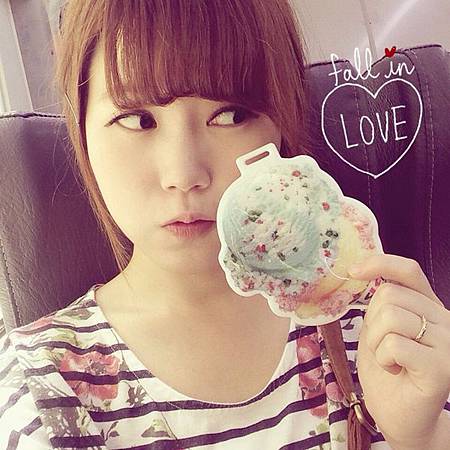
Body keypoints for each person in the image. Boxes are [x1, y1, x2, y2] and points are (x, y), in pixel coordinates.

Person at [0, 1, 449, 449]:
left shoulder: (379, 330)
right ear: (81, 130)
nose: (184, 174)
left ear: (281, 126)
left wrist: (420, 436)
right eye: (137, 120)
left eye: (231, 115)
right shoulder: (41, 394)